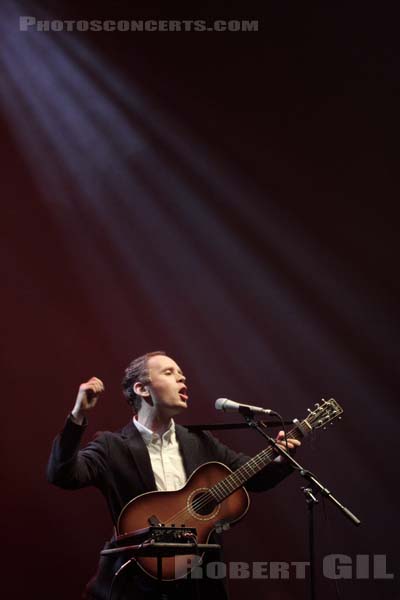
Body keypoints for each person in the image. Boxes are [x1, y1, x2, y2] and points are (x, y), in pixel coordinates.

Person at [47, 351, 301, 599]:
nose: (182, 379)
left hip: (196, 584)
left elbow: (255, 477)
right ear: (142, 389)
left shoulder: (200, 442)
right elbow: (63, 475)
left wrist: (279, 458)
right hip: (134, 584)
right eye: (169, 373)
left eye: (181, 374)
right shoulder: (112, 446)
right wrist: (78, 414)